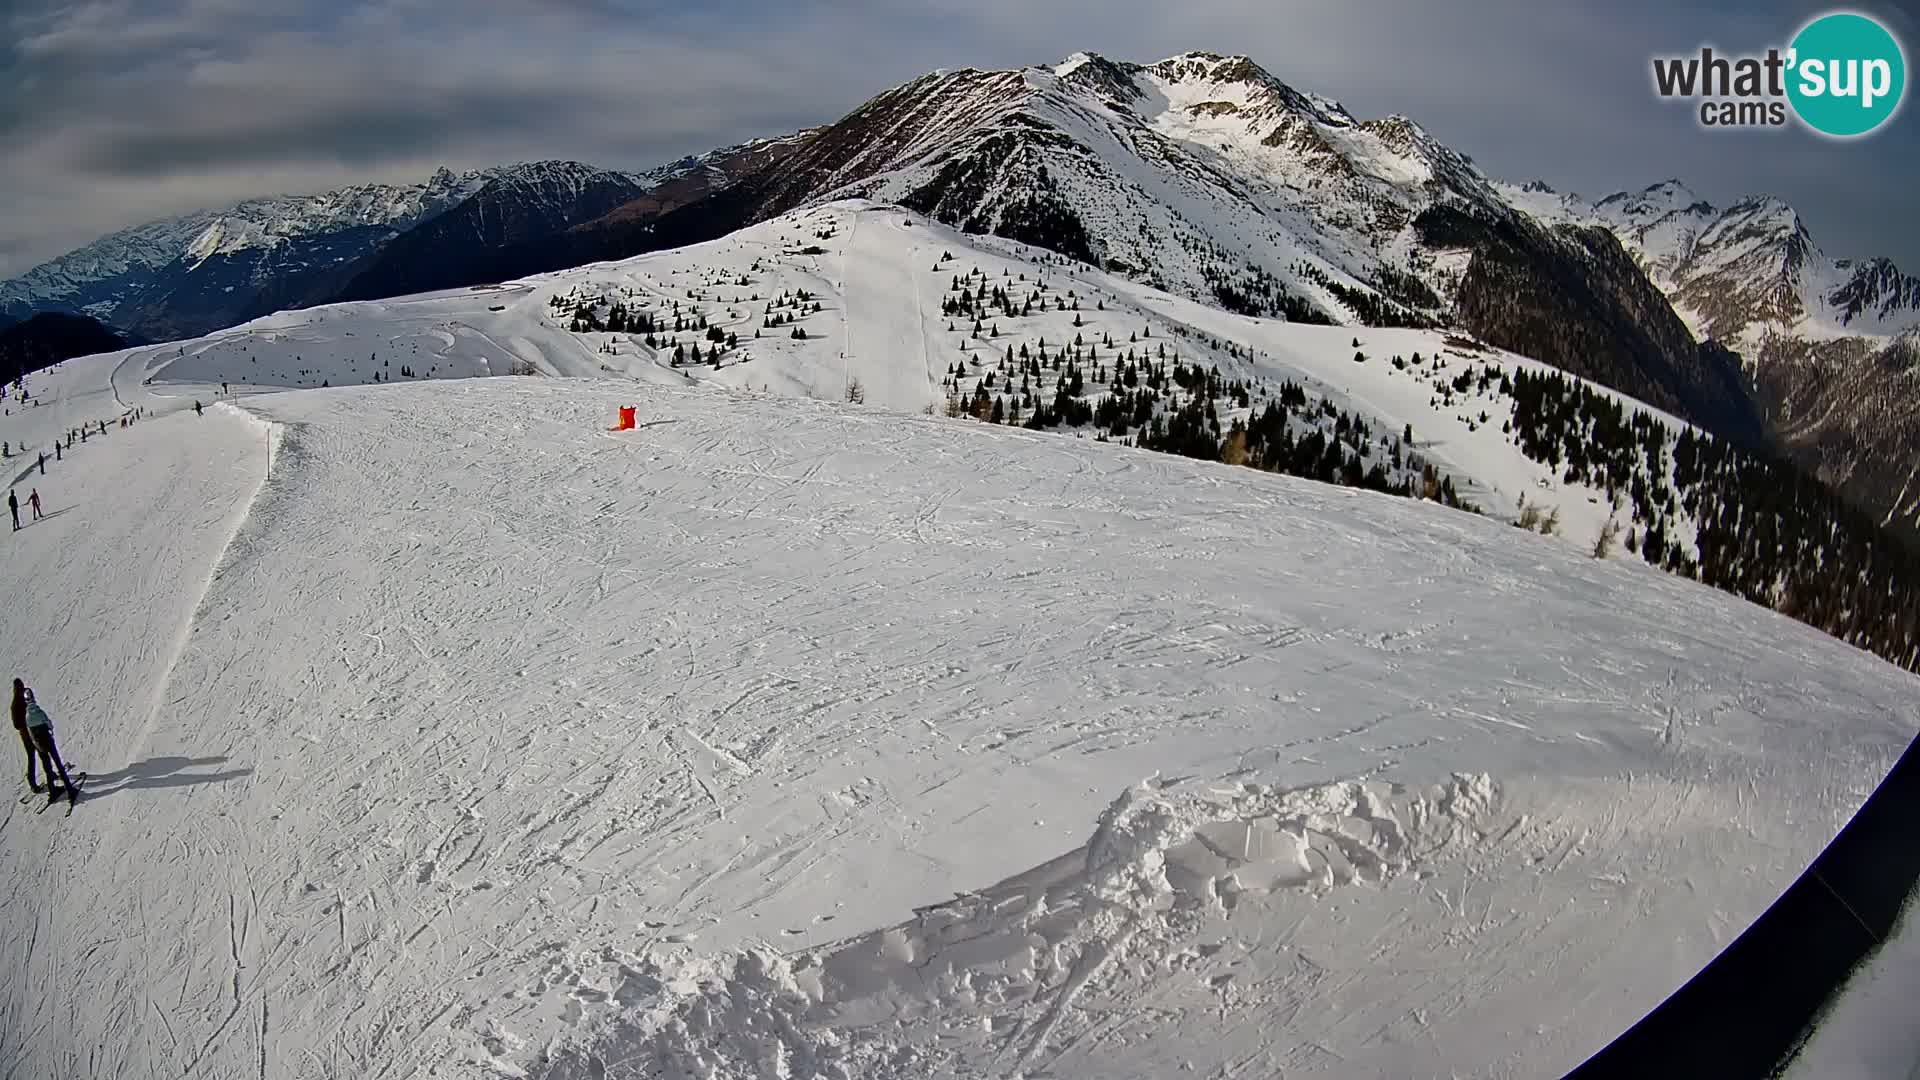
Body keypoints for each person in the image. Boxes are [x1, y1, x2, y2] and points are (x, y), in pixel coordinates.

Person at [15, 683, 75, 806]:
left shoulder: (27, 717)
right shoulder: (39, 712)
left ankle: (52, 791)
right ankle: (70, 790)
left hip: (38, 745)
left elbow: (30, 732)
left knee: (47, 767)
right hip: (48, 742)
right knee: (58, 764)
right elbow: (49, 725)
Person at [11, 679, 39, 794]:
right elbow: (16, 725)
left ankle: (49, 774)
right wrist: (27, 722)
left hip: (33, 732)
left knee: (42, 753)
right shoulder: (15, 705)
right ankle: (32, 782)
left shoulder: (25, 697)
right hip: (28, 735)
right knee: (33, 756)